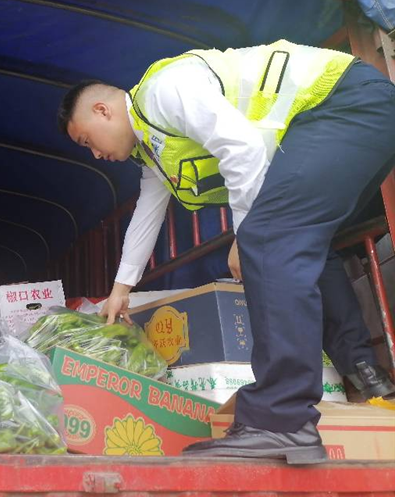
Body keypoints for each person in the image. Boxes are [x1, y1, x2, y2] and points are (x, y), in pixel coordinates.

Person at [57, 39, 395, 464]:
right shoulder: (152, 148)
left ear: (102, 110)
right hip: (354, 117)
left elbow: (243, 148)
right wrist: (121, 288)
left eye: (87, 140)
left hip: (341, 105)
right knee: (302, 243)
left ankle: (280, 421)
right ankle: (364, 372)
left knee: (269, 240)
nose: (95, 154)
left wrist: (246, 235)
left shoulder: (163, 91)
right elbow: (147, 214)